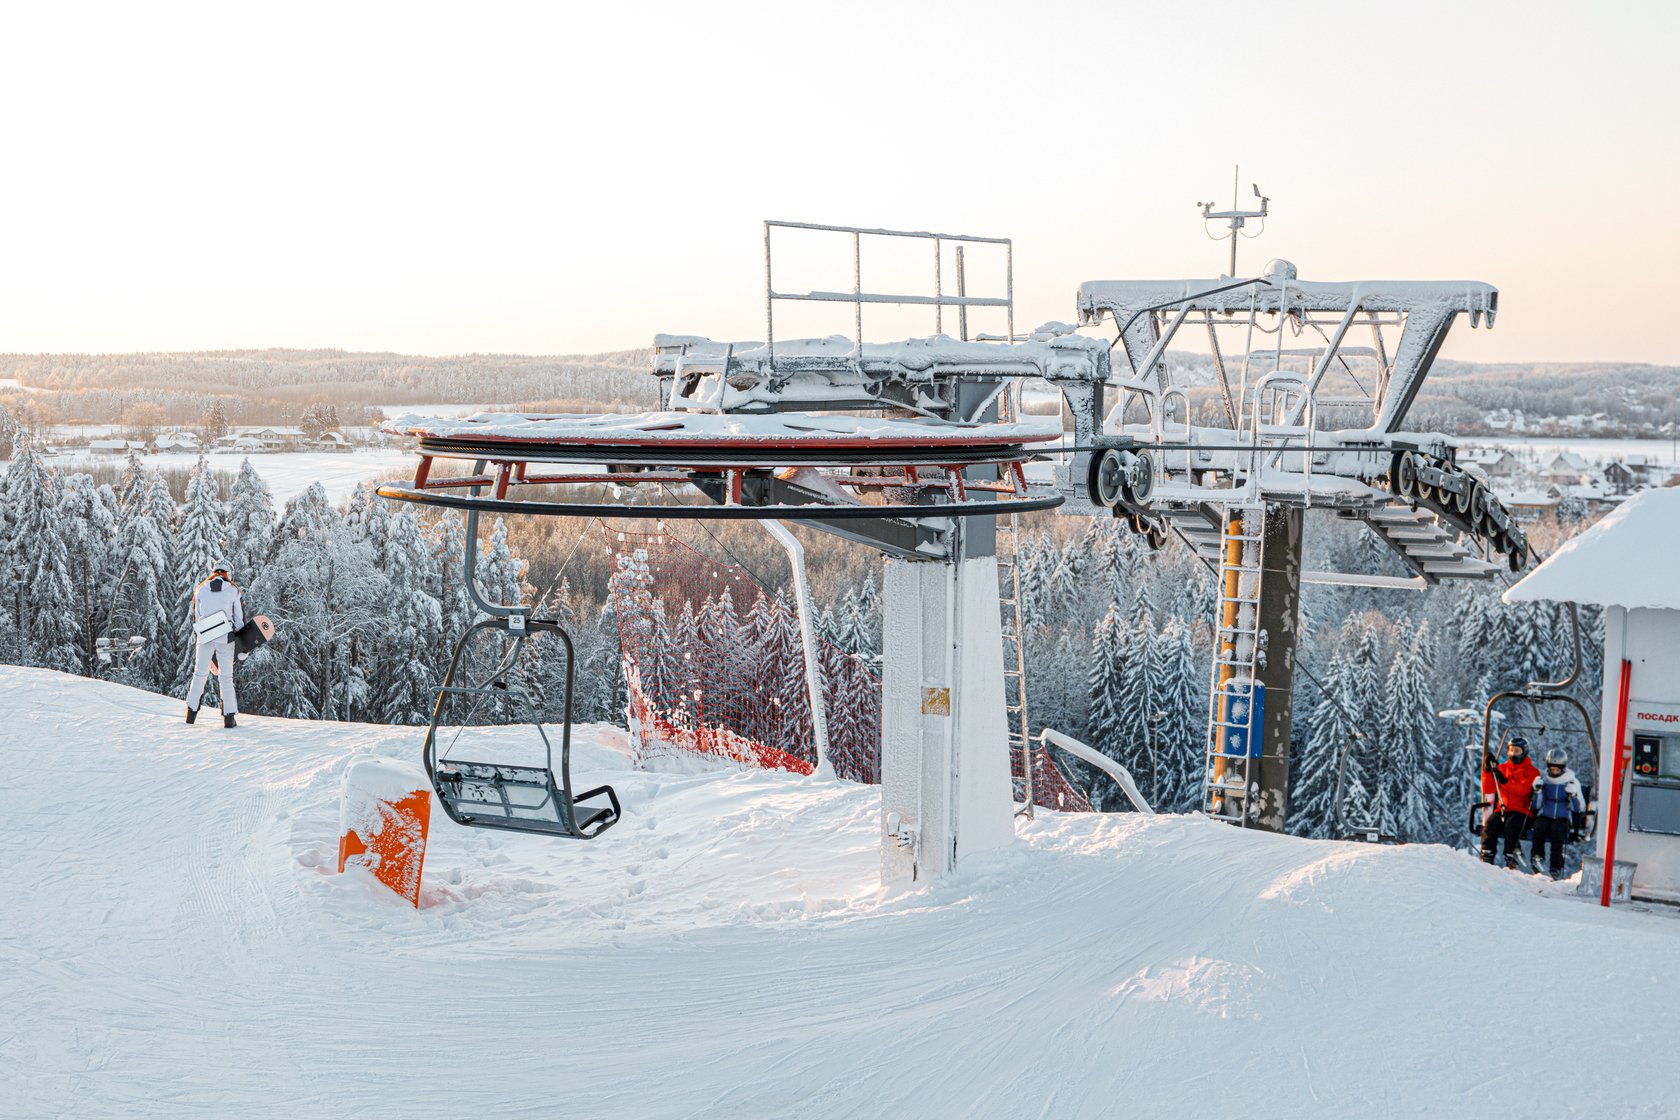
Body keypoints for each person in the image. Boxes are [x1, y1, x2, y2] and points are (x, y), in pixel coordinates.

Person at [185, 561, 243, 728]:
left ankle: (191, 714)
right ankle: (229, 718)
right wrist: (239, 639)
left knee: (199, 674)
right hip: (225, 637)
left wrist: (202, 633)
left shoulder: (201, 589)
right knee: (226, 677)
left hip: (205, 635)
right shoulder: (233, 591)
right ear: (229, 573)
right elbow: (239, 619)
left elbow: (197, 616)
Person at [1480, 735, 1540, 869]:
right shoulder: (1502, 768)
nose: (1513, 754)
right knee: (1491, 824)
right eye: (1511, 750)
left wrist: (1505, 782)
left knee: (1511, 825)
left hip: (1522, 811)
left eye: (1517, 751)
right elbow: (1488, 788)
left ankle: (1511, 857)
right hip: (1503, 809)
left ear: (1524, 752)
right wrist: (1487, 771)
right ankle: (1487, 855)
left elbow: (1524, 790)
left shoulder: (1532, 772)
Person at [1530, 747, 1586, 879]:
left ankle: (1556, 866)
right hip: (1546, 814)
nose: (1554, 772)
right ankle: (1537, 857)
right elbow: (1537, 805)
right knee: (1539, 826)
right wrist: (1537, 792)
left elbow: (1578, 808)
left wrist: (1573, 795)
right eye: (1552, 769)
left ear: (1563, 768)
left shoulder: (1571, 781)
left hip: (1563, 816)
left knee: (1557, 831)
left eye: (1557, 769)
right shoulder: (1545, 780)